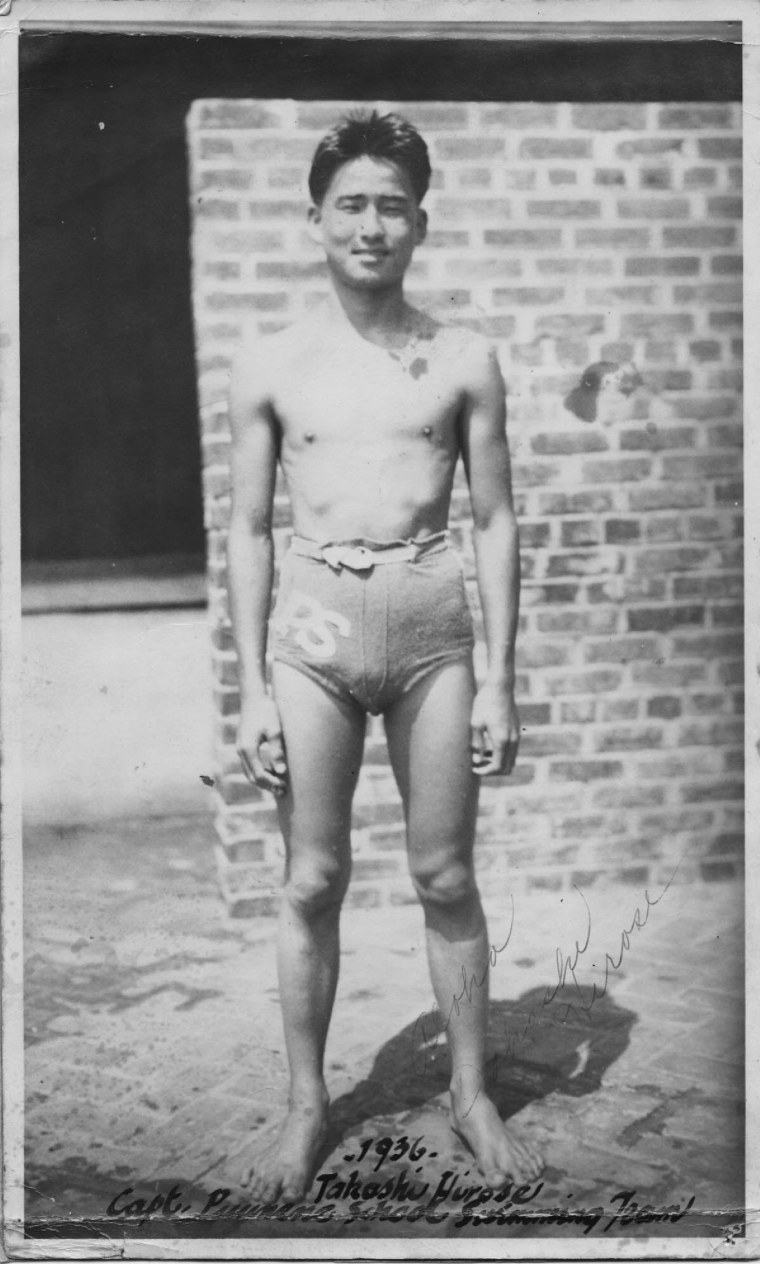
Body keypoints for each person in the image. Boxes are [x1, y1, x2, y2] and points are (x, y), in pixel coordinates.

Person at [227, 109, 543, 1204]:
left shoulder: (461, 358)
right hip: (312, 629)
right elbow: (248, 528)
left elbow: (496, 519)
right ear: (316, 219)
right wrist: (248, 690)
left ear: (419, 221)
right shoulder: (272, 361)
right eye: (351, 203)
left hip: (425, 624)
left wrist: (500, 674)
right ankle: (308, 1101)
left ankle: (469, 1087)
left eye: (392, 205)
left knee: (444, 872)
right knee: (311, 876)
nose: (372, 223)